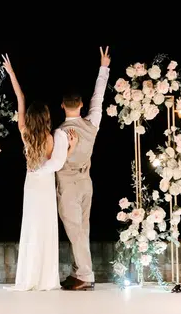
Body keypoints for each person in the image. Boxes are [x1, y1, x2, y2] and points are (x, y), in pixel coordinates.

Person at [2, 53, 79, 291]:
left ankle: (29, 276)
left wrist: (11, 73)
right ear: (46, 117)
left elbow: (20, 96)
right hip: (45, 187)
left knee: (31, 228)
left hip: (31, 186)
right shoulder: (51, 138)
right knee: (45, 229)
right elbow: (56, 164)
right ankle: (46, 278)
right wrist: (72, 148)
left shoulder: (24, 132)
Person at [57, 46, 110, 291]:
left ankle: (85, 275)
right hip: (86, 183)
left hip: (68, 186)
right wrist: (103, 68)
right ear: (80, 105)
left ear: (62, 105)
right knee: (82, 230)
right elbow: (98, 99)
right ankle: (80, 272)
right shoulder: (91, 124)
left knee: (76, 231)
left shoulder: (58, 133)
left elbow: (55, 162)